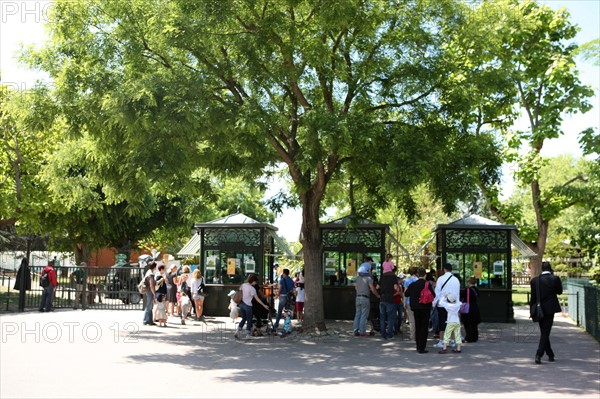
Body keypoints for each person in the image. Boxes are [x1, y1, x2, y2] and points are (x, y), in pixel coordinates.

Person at [530, 261, 563, 364]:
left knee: (544, 331)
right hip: (550, 309)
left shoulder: (535, 281)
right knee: (545, 332)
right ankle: (539, 354)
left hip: (539, 309)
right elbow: (559, 291)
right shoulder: (555, 279)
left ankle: (550, 354)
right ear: (550, 268)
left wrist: (531, 309)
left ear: (542, 269)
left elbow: (533, 297)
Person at [404, 267, 436, 353]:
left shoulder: (413, 284)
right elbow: (434, 295)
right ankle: (422, 347)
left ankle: (418, 346)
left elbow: (406, 294)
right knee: (424, 327)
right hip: (426, 307)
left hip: (415, 308)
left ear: (418, 275)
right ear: (425, 275)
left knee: (418, 326)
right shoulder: (427, 285)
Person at [432, 263, 460, 348]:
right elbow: (457, 293)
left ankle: (442, 341)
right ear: (451, 269)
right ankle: (451, 341)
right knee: (451, 322)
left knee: (442, 322)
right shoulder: (456, 280)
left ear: (444, 269)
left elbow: (437, 292)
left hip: (442, 304)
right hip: (453, 304)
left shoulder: (440, 279)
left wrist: (434, 303)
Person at [235, 274, 269, 340]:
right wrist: (264, 305)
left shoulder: (243, 285)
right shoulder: (252, 289)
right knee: (249, 320)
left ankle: (237, 331)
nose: (256, 283)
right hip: (248, 306)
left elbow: (239, 292)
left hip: (241, 304)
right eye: (255, 282)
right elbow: (257, 299)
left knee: (244, 319)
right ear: (253, 281)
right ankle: (247, 334)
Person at [353, 268, 380, 336]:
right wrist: (377, 295)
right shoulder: (368, 278)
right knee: (364, 315)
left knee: (357, 314)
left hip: (358, 297)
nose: (371, 271)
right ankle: (362, 332)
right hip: (365, 297)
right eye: (370, 270)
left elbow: (356, 288)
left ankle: (355, 331)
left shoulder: (358, 278)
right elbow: (373, 288)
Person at [378, 269, 399, 340]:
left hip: (382, 298)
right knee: (390, 318)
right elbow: (395, 288)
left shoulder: (382, 277)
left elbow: (377, 287)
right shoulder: (393, 277)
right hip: (390, 298)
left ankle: (383, 334)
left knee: (382, 317)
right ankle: (390, 335)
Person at [461, 277, 481, 343]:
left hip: (468, 308)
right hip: (475, 307)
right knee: (474, 324)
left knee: (467, 323)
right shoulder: (476, 289)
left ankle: (469, 338)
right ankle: (475, 337)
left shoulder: (467, 290)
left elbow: (463, 297)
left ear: (469, 282)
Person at [403, 267, 418, 340]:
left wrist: (404, 302)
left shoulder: (407, 280)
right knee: (417, 319)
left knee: (412, 320)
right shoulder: (418, 280)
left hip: (409, 301)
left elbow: (405, 292)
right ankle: (418, 335)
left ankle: (413, 336)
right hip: (418, 302)